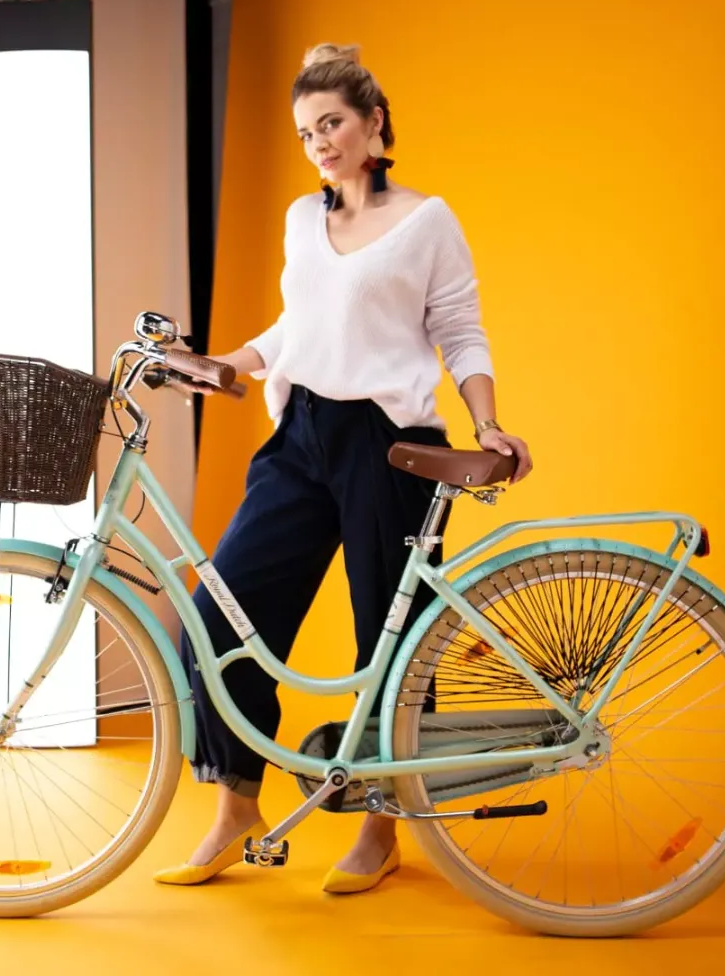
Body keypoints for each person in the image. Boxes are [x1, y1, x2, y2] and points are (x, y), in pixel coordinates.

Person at [154, 43, 532, 894]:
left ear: (373, 125)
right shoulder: (300, 218)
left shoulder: (426, 220)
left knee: (391, 644)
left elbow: (461, 331)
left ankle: (381, 823)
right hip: (301, 438)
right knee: (219, 621)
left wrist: (488, 422)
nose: (319, 142)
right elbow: (299, 324)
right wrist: (230, 362)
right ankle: (236, 804)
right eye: (305, 131)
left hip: (389, 444)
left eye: (331, 124)